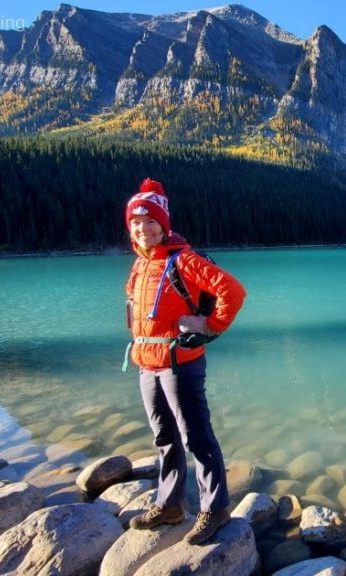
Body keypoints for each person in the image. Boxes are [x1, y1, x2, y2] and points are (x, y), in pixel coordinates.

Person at [123, 177, 246, 545]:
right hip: (147, 362)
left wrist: (211, 326)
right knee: (164, 437)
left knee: (197, 438)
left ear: (163, 225)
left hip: (180, 362)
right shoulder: (140, 265)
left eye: (150, 222)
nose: (143, 230)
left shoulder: (184, 260)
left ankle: (216, 508)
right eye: (136, 223)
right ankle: (170, 505)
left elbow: (232, 291)